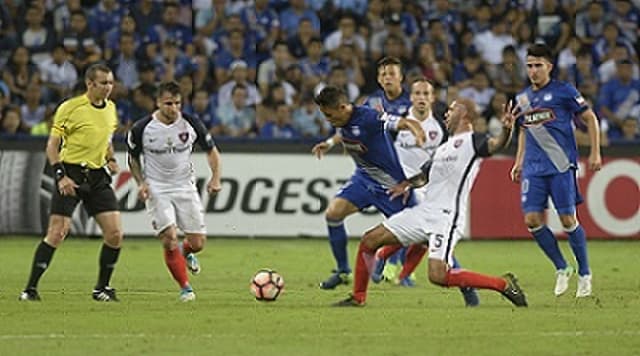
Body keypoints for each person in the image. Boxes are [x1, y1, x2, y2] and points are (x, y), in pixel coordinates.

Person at [333, 97, 527, 308]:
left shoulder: (474, 141)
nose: (446, 113)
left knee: (438, 275)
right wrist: (406, 185)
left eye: (452, 109)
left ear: (464, 113)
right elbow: (424, 176)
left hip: (446, 217)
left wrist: (507, 131)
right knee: (370, 240)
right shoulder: (443, 148)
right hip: (424, 212)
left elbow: (495, 145)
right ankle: (358, 297)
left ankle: (502, 284)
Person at [368, 77, 480, 306]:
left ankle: (385, 258)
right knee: (428, 235)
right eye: (417, 93)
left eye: (426, 94)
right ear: (411, 97)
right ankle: (466, 289)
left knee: (425, 237)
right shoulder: (399, 124)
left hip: (428, 188)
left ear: (432, 98)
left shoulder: (440, 128)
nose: (421, 98)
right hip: (402, 186)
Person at [19, 64, 123, 302]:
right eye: (104, 83)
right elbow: (52, 146)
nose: (109, 87)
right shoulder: (70, 108)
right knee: (57, 232)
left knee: (115, 234)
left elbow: (106, 140)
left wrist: (111, 158)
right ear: (90, 84)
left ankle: (101, 289)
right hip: (71, 173)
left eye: (110, 83)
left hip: (97, 176)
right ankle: (30, 289)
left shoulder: (111, 109)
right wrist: (61, 176)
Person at [311, 85, 425, 290]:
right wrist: (329, 143)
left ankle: (454, 278)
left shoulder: (370, 117)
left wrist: (417, 133)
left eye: (329, 114)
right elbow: (343, 131)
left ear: (343, 107)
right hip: (363, 180)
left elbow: (404, 122)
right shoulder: (342, 119)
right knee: (333, 214)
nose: (328, 119)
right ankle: (343, 271)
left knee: (412, 233)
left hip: (391, 186)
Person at [510, 43, 601, 298]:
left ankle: (584, 273)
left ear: (549, 66)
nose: (533, 70)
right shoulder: (523, 99)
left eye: (538, 65)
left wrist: (595, 151)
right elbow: (524, 130)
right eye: (529, 66)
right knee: (531, 220)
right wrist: (519, 161)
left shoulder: (564, 92)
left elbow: (590, 118)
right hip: (533, 168)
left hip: (560, 165)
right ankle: (562, 267)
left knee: (567, 220)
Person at [127, 81, 222, 302]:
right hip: (156, 188)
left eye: (177, 103)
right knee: (169, 238)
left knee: (198, 243)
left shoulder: (191, 124)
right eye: (168, 103)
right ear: (158, 102)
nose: (174, 108)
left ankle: (186, 251)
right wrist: (140, 182)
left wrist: (216, 177)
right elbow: (132, 159)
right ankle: (185, 287)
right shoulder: (142, 128)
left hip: (185, 186)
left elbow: (212, 151)